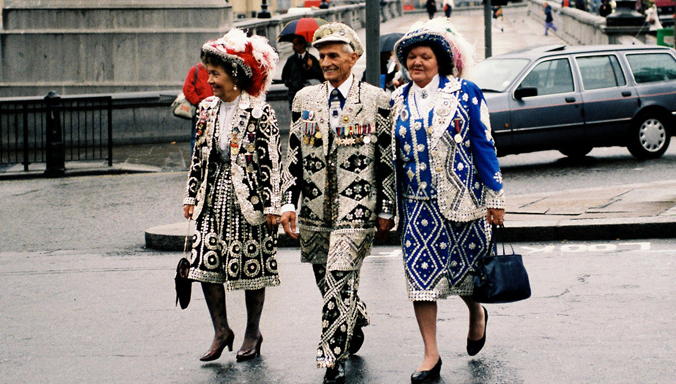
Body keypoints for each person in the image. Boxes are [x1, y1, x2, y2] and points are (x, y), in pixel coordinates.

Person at [280, 22, 396, 384]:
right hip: (314, 211)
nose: (325, 62)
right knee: (327, 282)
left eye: (333, 55)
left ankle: (332, 356)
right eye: (322, 55)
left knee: (339, 275)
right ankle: (355, 314)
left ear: (354, 57)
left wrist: (386, 208)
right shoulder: (304, 100)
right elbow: (294, 156)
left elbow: (387, 159)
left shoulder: (378, 100)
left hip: (357, 210)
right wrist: (286, 203)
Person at [390, 18, 505, 383]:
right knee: (420, 281)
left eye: (424, 56)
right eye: (410, 57)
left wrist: (495, 196)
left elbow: (484, 144)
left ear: (439, 59)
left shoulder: (465, 92)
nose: (416, 63)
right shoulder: (395, 101)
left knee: (467, 275)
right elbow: (387, 157)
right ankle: (430, 354)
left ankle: (477, 314)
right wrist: (386, 208)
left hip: (463, 202)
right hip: (416, 206)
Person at [182, 28, 282, 363]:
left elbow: (271, 160)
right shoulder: (207, 109)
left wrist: (272, 205)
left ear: (235, 76)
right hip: (213, 197)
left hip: (248, 201)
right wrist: (191, 195)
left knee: (250, 265)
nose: (209, 80)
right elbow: (199, 155)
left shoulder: (259, 111)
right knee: (205, 263)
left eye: (215, 73)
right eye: (208, 72)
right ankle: (221, 330)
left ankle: (253, 331)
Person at [182, 50, 213, 157]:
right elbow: (187, 89)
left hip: (215, 107)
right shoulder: (195, 70)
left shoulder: (214, 70)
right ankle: (195, 160)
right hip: (200, 109)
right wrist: (198, 103)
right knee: (197, 135)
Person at [281, 35, 324, 110]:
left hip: (310, 96)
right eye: (293, 44)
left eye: (295, 44)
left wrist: (311, 67)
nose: (293, 47)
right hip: (294, 95)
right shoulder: (291, 60)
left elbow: (321, 76)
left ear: (302, 45)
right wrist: (291, 83)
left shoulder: (312, 59)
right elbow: (284, 76)